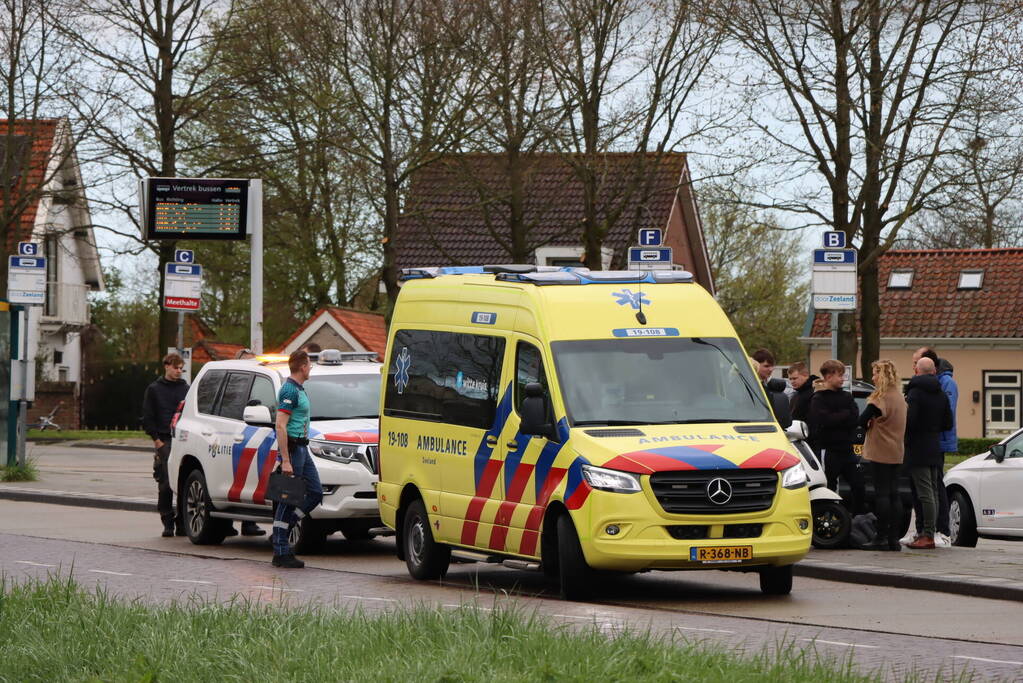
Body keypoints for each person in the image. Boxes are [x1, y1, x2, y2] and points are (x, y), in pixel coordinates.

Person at [271, 349, 324, 568]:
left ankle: (283, 528)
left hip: (303, 448)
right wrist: (285, 459)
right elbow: (280, 425)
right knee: (288, 500)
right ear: (302, 367)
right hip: (293, 450)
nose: (310, 368)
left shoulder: (299, 389)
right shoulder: (290, 390)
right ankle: (281, 551)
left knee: (315, 493)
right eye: (309, 364)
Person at [905, 347, 957, 547]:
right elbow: (947, 423)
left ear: (918, 371)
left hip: (918, 447)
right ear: (934, 371)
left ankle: (927, 534)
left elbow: (911, 421)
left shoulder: (916, 392)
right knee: (934, 491)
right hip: (934, 445)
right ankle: (932, 531)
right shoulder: (941, 392)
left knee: (924, 492)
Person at [858, 360, 907, 551]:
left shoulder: (881, 398)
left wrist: (870, 423)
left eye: (875, 373)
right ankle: (894, 539)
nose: (873, 377)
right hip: (896, 450)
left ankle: (880, 537)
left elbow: (861, 420)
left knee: (882, 494)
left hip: (880, 451)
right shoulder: (900, 398)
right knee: (895, 494)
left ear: (883, 375)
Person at [807, 359, 865, 514]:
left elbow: (854, 418)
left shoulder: (846, 396)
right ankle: (830, 516)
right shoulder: (818, 398)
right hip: (829, 450)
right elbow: (824, 420)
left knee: (858, 485)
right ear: (828, 376)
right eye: (839, 375)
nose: (842, 379)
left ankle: (856, 516)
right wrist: (843, 415)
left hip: (847, 449)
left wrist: (838, 417)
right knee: (829, 486)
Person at [142, 353, 190, 537]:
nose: (178, 371)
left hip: (183, 438)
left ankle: (182, 522)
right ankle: (167, 521)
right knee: (166, 483)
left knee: (183, 482)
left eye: (181, 368)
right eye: (176, 368)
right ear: (167, 366)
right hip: (164, 438)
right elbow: (148, 416)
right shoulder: (154, 389)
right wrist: (157, 441)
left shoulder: (186, 388)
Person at [752, 348, 792, 428]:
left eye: (772, 366)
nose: (771, 369)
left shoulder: (765, 386)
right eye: (766, 366)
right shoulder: (750, 388)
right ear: (755, 365)